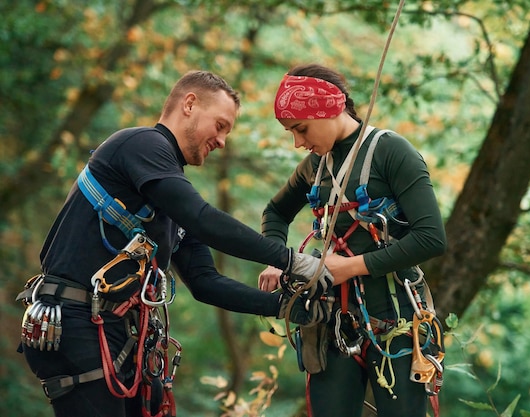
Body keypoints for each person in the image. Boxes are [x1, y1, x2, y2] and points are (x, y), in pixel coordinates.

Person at [16, 70, 334, 417]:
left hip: (115, 331)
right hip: (79, 323)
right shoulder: (141, 145)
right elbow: (204, 219)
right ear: (190, 104)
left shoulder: (168, 191)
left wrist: (284, 307)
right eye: (220, 125)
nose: (222, 141)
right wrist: (293, 261)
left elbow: (205, 282)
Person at [258, 64, 447, 417]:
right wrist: (275, 258)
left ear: (330, 108)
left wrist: (351, 267)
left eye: (301, 129)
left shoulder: (391, 151)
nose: (298, 141)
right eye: (291, 133)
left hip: (397, 324)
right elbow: (275, 211)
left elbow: (431, 238)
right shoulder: (314, 167)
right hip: (331, 323)